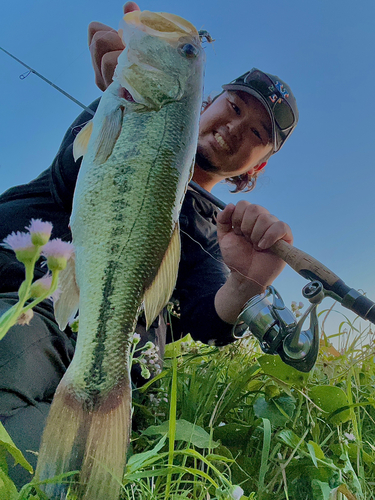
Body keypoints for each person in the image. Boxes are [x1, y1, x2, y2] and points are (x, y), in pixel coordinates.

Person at [0, 1, 298, 488]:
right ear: (207, 101)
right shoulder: (122, 113)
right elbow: (69, 176)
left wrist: (243, 285)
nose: (233, 127)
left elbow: (205, 315)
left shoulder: (213, 229)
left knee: (60, 474)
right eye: (235, 106)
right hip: (31, 303)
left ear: (257, 166)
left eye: (255, 133)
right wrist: (127, 91)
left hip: (118, 358)